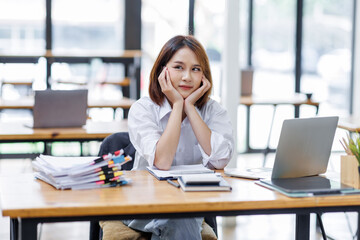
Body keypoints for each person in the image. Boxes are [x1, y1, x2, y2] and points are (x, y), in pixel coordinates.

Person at [123, 35, 234, 240]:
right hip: (145, 203)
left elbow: (220, 160)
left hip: (191, 203)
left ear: (204, 76)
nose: (187, 77)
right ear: (162, 71)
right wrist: (177, 106)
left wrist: (190, 107)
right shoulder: (143, 109)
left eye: (195, 69)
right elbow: (162, 161)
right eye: (178, 67)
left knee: (181, 218)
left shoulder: (213, 111)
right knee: (179, 220)